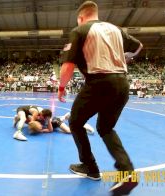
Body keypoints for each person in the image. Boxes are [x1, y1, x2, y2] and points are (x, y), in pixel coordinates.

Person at [57, 1, 143, 195]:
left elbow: (68, 67)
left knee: (76, 123)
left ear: (80, 18)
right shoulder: (116, 29)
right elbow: (139, 46)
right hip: (122, 83)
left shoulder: (80, 31)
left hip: (99, 82)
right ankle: (127, 173)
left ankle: (91, 168)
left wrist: (61, 88)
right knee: (106, 128)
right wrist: (127, 57)